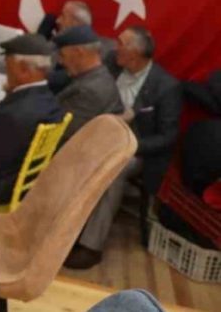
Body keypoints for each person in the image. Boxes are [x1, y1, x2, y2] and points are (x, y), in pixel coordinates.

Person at [66, 26, 183, 269]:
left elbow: (167, 136)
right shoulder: (111, 62)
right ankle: (63, 230)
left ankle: (91, 245)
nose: (115, 47)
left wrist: (127, 146)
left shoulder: (166, 86)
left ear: (136, 53)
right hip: (96, 134)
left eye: (122, 43)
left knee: (115, 168)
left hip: (135, 149)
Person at [0, 33, 65, 207]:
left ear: (24, 70)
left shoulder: (14, 115)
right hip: (9, 186)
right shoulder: (49, 102)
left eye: (8, 65)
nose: (6, 69)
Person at [53, 25, 123, 140]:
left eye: (62, 55)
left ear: (78, 52)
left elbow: (62, 134)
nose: (60, 61)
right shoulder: (101, 77)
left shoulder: (88, 91)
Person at [47, 0, 117, 92]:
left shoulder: (108, 51)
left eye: (63, 16)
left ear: (76, 23)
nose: (57, 21)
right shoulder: (53, 44)